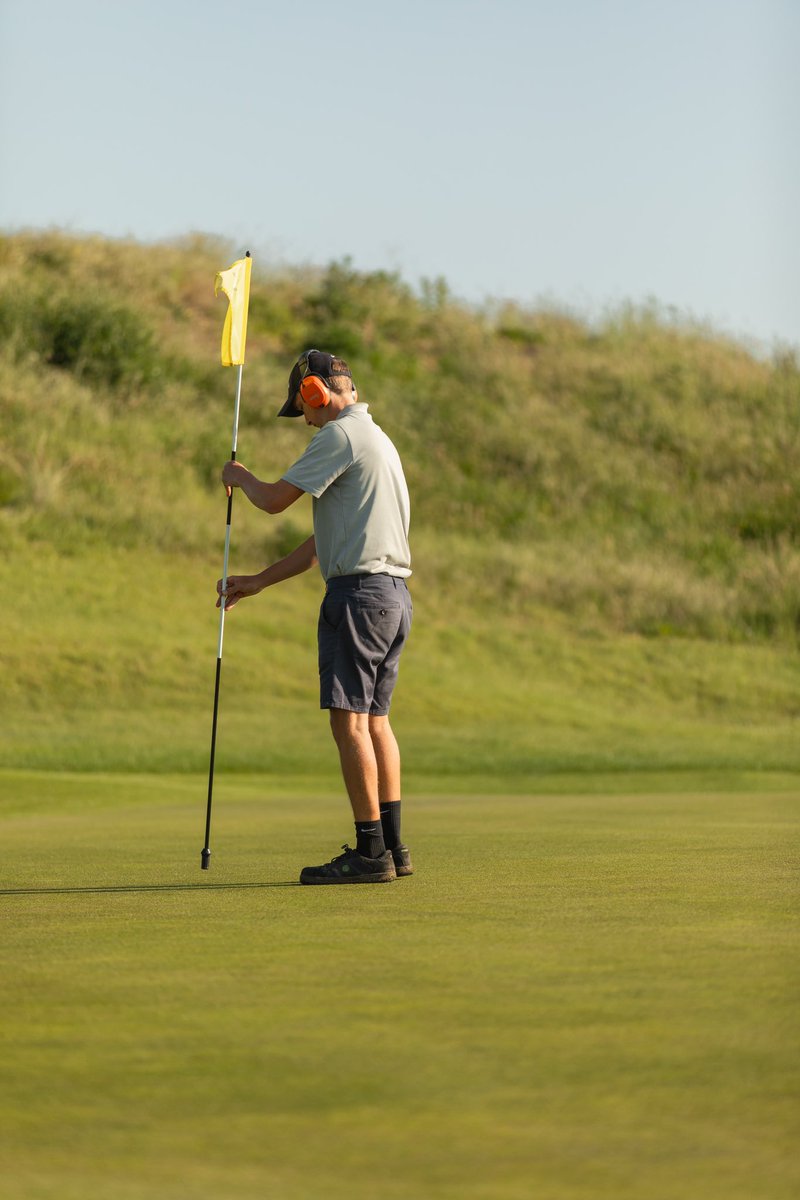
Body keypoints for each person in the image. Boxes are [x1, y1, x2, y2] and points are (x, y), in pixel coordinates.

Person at [217, 349, 413, 885]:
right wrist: (259, 581)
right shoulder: (378, 439)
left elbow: (276, 500)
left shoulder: (338, 436)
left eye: (301, 407)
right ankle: (393, 848)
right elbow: (320, 543)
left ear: (314, 393)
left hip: (357, 597)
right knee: (375, 722)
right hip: (392, 597)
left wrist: (240, 475)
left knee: (348, 721)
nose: (304, 419)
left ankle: (370, 852)